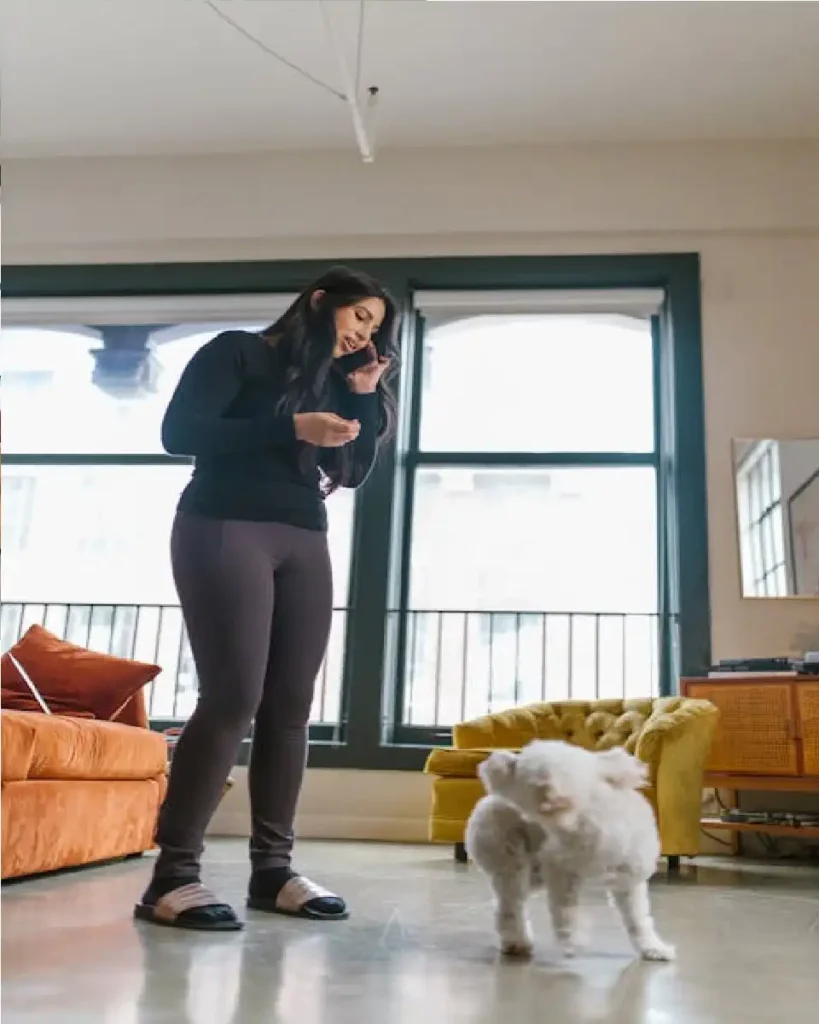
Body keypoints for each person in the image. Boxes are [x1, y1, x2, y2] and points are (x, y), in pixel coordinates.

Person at [134, 266, 398, 931]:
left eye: (373, 326)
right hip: (223, 522)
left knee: (290, 706)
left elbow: (352, 470)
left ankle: (273, 871)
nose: (362, 332)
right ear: (319, 302)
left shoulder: (333, 384)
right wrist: (291, 427)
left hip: (303, 534)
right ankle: (172, 878)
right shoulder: (236, 352)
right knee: (232, 697)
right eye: (358, 316)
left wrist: (364, 396)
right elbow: (181, 435)